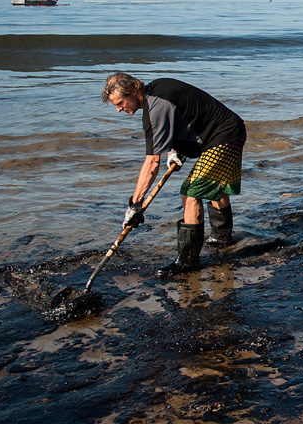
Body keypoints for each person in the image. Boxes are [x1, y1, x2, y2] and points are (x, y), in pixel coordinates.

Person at [102, 73, 246, 277]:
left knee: (190, 192)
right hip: (228, 130)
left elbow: (152, 163)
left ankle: (188, 261)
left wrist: (135, 204)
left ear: (133, 91)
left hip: (224, 136)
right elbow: (183, 116)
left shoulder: (155, 106)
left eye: (120, 102)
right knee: (213, 186)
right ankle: (222, 240)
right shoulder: (159, 89)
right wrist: (174, 149)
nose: (119, 109)